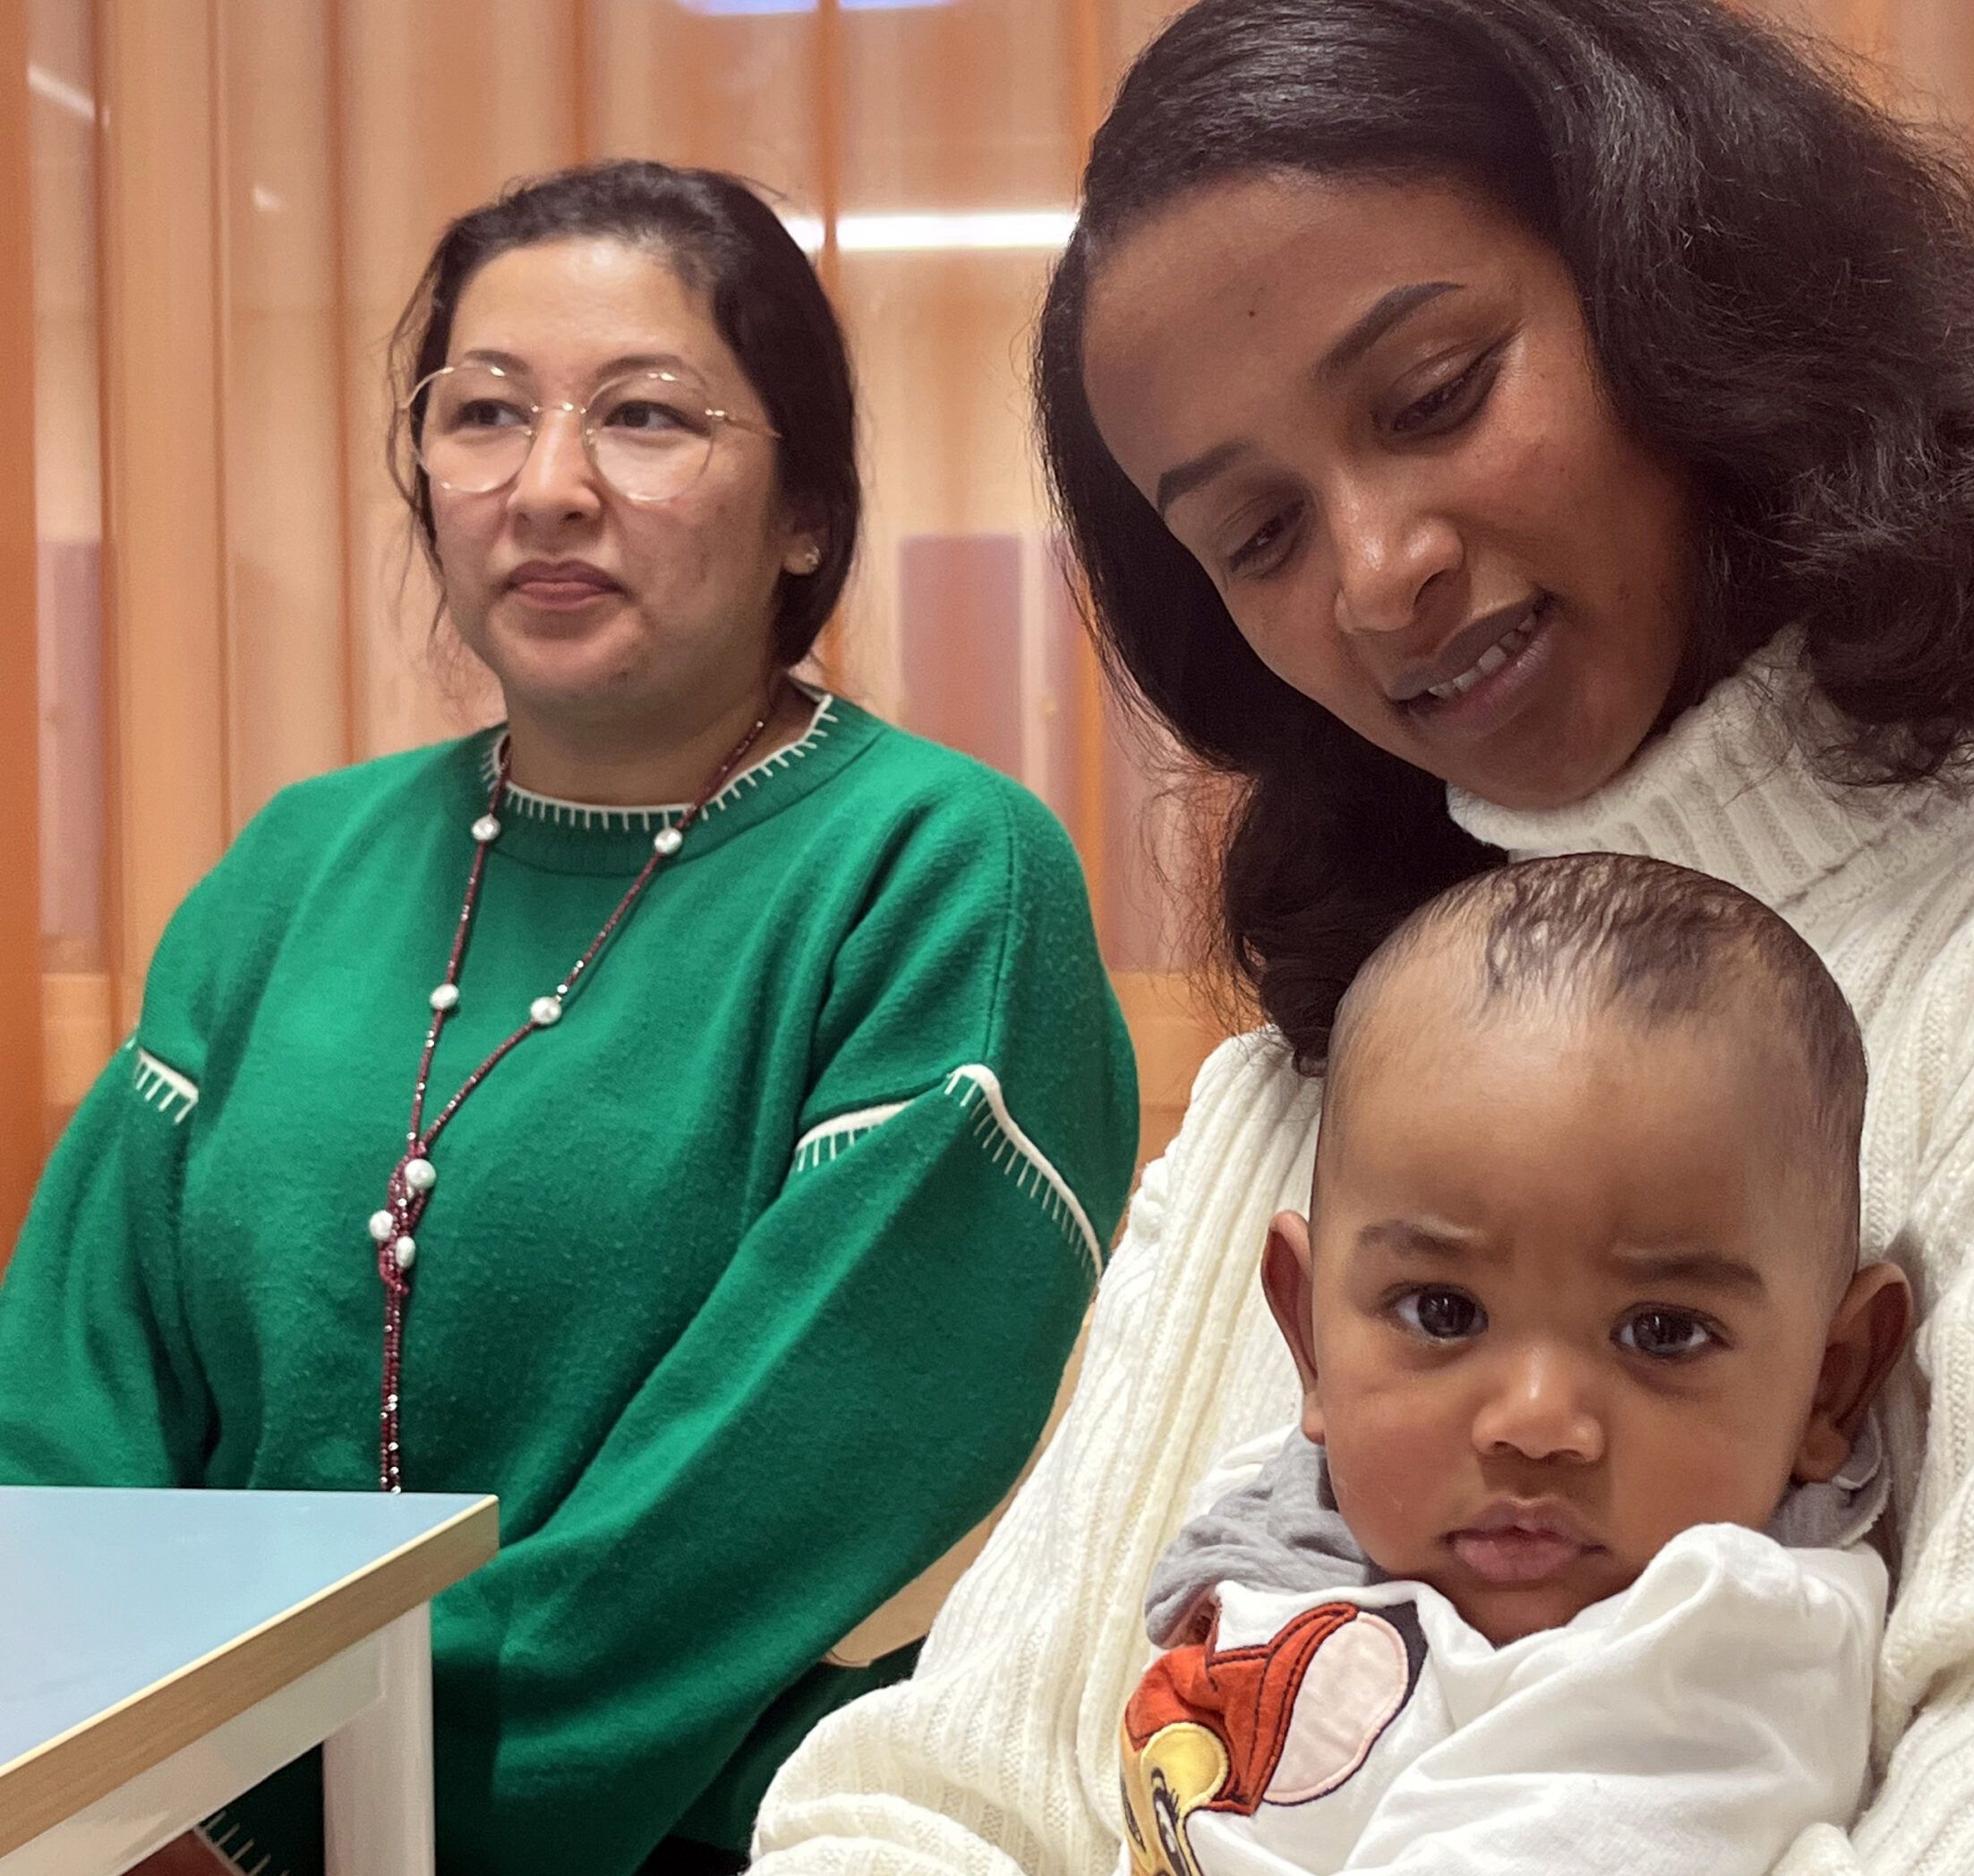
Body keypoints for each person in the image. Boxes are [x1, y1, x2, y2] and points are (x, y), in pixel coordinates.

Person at [749, 1, 1974, 1872]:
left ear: (1688, 299)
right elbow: (931, 1795)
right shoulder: (1287, 1093)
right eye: (1253, 535)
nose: (1377, 571)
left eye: (1431, 396)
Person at [0, 160, 1137, 1876]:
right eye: (484, 414)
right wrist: (88, 1767)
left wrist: (231, 1808)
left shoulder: (937, 877)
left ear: (808, 510)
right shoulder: (297, 865)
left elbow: (723, 1543)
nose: (547, 488)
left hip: (683, 1836)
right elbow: (62, 1410)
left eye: (647, 417)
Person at [1120, 854, 1910, 1876]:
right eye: (1443, 1311)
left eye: (1662, 1330)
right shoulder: (1288, 1503)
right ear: (1308, 1336)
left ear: (1831, 1381)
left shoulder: (1718, 1654)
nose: (1536, 1419)